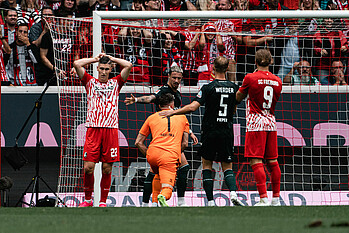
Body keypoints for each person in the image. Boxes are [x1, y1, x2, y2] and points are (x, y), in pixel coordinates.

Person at [159, 56, 244, 207]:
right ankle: (233, 193)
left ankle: (210, 202)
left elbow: (192, 108)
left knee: (207, 165)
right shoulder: (234, 88)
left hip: (210, 131)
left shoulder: (208, 88)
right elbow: (235, 107)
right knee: (227, 166)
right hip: (226, 130)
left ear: (213, 68)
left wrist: (173, 112)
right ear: (227, 69)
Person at [124, 66, 198, 207]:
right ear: (168, 76)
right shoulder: (164, 91)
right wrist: (138, 100)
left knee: (156, 171)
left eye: (179, 78)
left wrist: (190, 132)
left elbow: (179, 116)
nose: (176, 81)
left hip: (171, 136)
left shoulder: (177, 94)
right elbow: (152, 98)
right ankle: (179, 201)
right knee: (180, 167)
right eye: (174, 77)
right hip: (165, 137)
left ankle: (149, 203)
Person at [74, 53, 132, 207]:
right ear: (97, 69)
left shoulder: (116, 83)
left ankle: (102, 202)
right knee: (88, 168)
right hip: (93, 129)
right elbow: (77, 64)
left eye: (107, 69)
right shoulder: (89, 82)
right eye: (101, 69)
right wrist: (95, 59)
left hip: (111, 130)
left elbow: (128, 66)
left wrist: (111, 58)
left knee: (106, 169)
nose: (104, 72)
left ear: (111, 69)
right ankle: (87, 200)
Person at [236, 49, 282, 206]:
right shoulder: (278, 81)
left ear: (255, 62)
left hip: (256, 122)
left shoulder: (250, 78)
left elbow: (238, 97)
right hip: (271, 121)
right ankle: (276, 198)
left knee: (256, 160)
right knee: (273, 161)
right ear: (271, 62)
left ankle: (263, 198)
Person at [135, 93, 190, 207]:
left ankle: (153, 203)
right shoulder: (182, 117)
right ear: (172, 105)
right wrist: (174, 153)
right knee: (167, 188)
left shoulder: (151, 118)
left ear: (159, 106)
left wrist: (149, 154)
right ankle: (163, 196)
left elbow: (138, 142)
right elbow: (185, 143)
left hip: (153, 154)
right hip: (169, 155)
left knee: (156, 175)